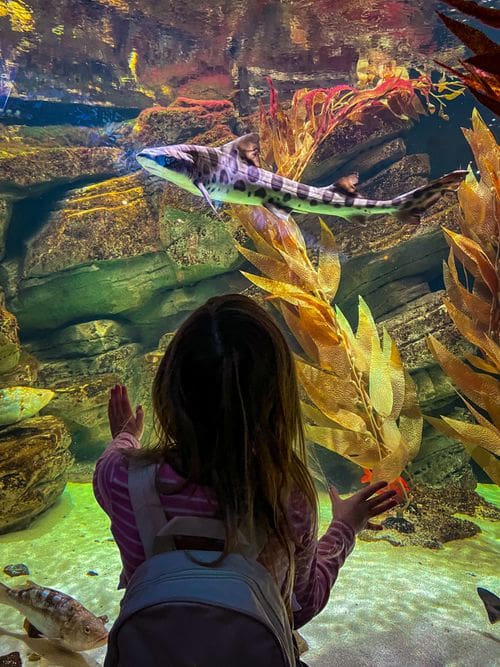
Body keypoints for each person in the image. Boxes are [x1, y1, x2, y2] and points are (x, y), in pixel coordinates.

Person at [93, 294, 398, 661]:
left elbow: (119, 450)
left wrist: (126, 434)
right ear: (279, 401)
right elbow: (299, 608)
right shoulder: (288, 498)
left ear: (169, 391)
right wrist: (345, 528)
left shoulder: (119, 477)